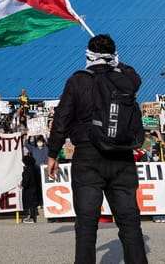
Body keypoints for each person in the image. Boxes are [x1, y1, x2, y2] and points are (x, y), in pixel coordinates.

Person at [47, 34, 147, 264]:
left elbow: (62, 119)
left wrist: (53, 152)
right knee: (129, 221)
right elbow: (136, 78)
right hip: (121, 155)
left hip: (88, 157)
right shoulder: (124, 79)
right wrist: (116, 62)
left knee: (86, 223)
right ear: (113, 56)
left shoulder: (78, 81)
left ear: (88, 56)